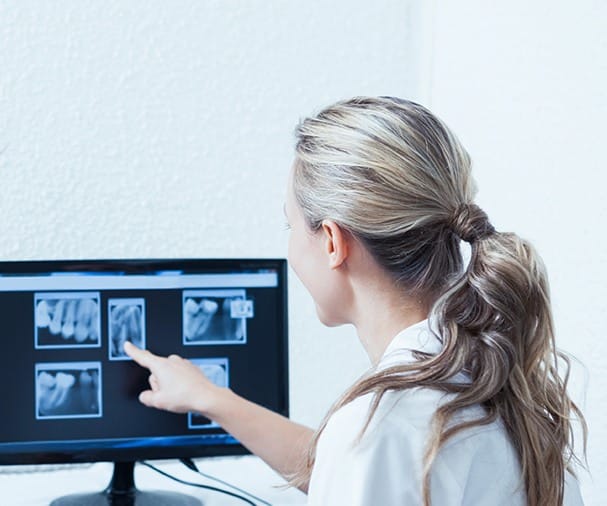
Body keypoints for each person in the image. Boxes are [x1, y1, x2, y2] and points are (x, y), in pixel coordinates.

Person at [125, 97, 586, 506]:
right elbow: (351, 465)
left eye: (291, 226)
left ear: (331, 242)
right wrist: (213, 400)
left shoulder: (381, 425)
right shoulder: (501, 378)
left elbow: (366, 455)